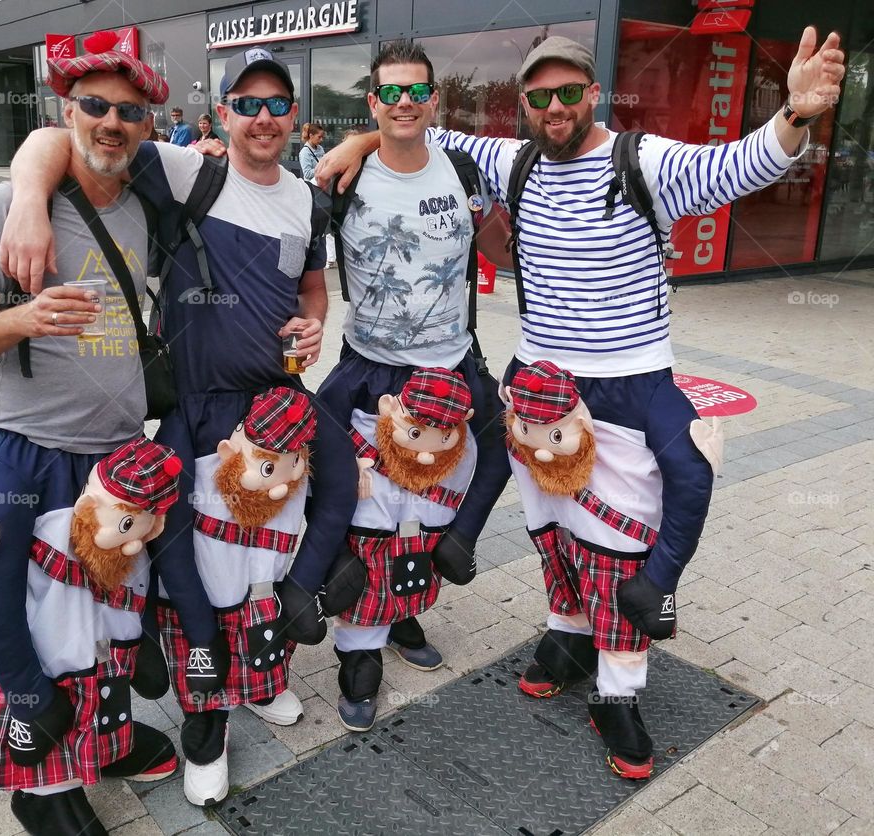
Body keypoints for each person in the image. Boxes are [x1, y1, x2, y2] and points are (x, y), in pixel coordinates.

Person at [318, 27, 845, 778]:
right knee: (553, 521)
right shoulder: (514, 159)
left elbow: (735, 166)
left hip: (631, 380)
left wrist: (794, 114)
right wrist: (357, 143)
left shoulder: (645, 160)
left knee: (636, 529)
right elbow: (418, 124)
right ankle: (566, 634)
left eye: (570, 92)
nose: (555, 106)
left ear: (594, 93)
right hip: (537, 380)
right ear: (525, 104)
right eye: (540, 96)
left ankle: (620, 686)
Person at [0, 46, 358, 809]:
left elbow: (314, 286)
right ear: (221, 112)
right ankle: (204, 714)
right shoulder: (193, 172)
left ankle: (269, 663)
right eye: (247, 103)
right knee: (184, 548)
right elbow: (63, 135)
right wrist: (29, 199)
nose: (263, 117)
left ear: (294, 116)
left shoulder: (307, 199)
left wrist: (315, 322)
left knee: (303, 522)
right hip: (195, 407)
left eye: (276, 104)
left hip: (277, 402)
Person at [0, 29, 179, 834]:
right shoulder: (9, 204)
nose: (111, 122)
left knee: (109, 616)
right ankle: (37, 773)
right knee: (9, 602)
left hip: (116, 459)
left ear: (151, 123)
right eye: (93, 106)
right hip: (29, 449)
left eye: (129, 111)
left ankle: (100, 736)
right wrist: (24, 317)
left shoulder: (147, 202)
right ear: (64, 109)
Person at [314, 40, 513, 732]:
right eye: (388, 92)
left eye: (415, 92)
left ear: (433, 100)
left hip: (453, 366)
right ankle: (357, 654)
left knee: (456, 481)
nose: (403, 102)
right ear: (372, 101)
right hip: (371, 369)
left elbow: (500, 247)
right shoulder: (342, 177)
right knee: (369, 502)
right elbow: (298, 259)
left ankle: (405, 605)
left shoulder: (461, 170)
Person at [298, 121, 336, 267]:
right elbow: (307, 173)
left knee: (327, 223)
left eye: (322, 137)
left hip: (325, 188)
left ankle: (330, 257)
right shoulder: (304, 153)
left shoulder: (319, 148)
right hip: (314, 191)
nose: (321, 140)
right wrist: (322, 168)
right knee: (318, 224)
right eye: (319, 137)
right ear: (311, 135)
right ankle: (325, 256)